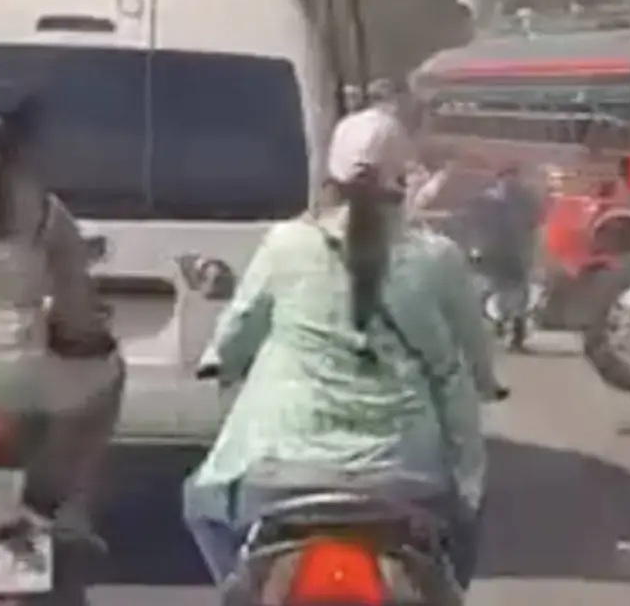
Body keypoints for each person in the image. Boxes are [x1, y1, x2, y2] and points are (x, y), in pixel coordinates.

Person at [182, 106, 504, 590]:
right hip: (408, 477)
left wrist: (219, 359)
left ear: (329, 175)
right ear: (403, 177)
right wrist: (486, 380)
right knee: (463, 523)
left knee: (201, 505)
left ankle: (239, 592)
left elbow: (237, 330)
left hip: (279, 471)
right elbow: (474, 349)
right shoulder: (437, 258)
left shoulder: (287, 244)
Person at [0, 94, 124, 593]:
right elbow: (78, 317)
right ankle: (54, 509)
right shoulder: (42, 212)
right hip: (20, 389)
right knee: (106, 376)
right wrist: (83, 336)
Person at [468, 163, 542, 351]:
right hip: (502, 253)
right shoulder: (499, 199)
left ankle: (507, 333)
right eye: (507, 178)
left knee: (508, 294)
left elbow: (535, 221)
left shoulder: (495, 199)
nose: (510, 182)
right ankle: (504, 332)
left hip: (507, 253)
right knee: (501, 293)